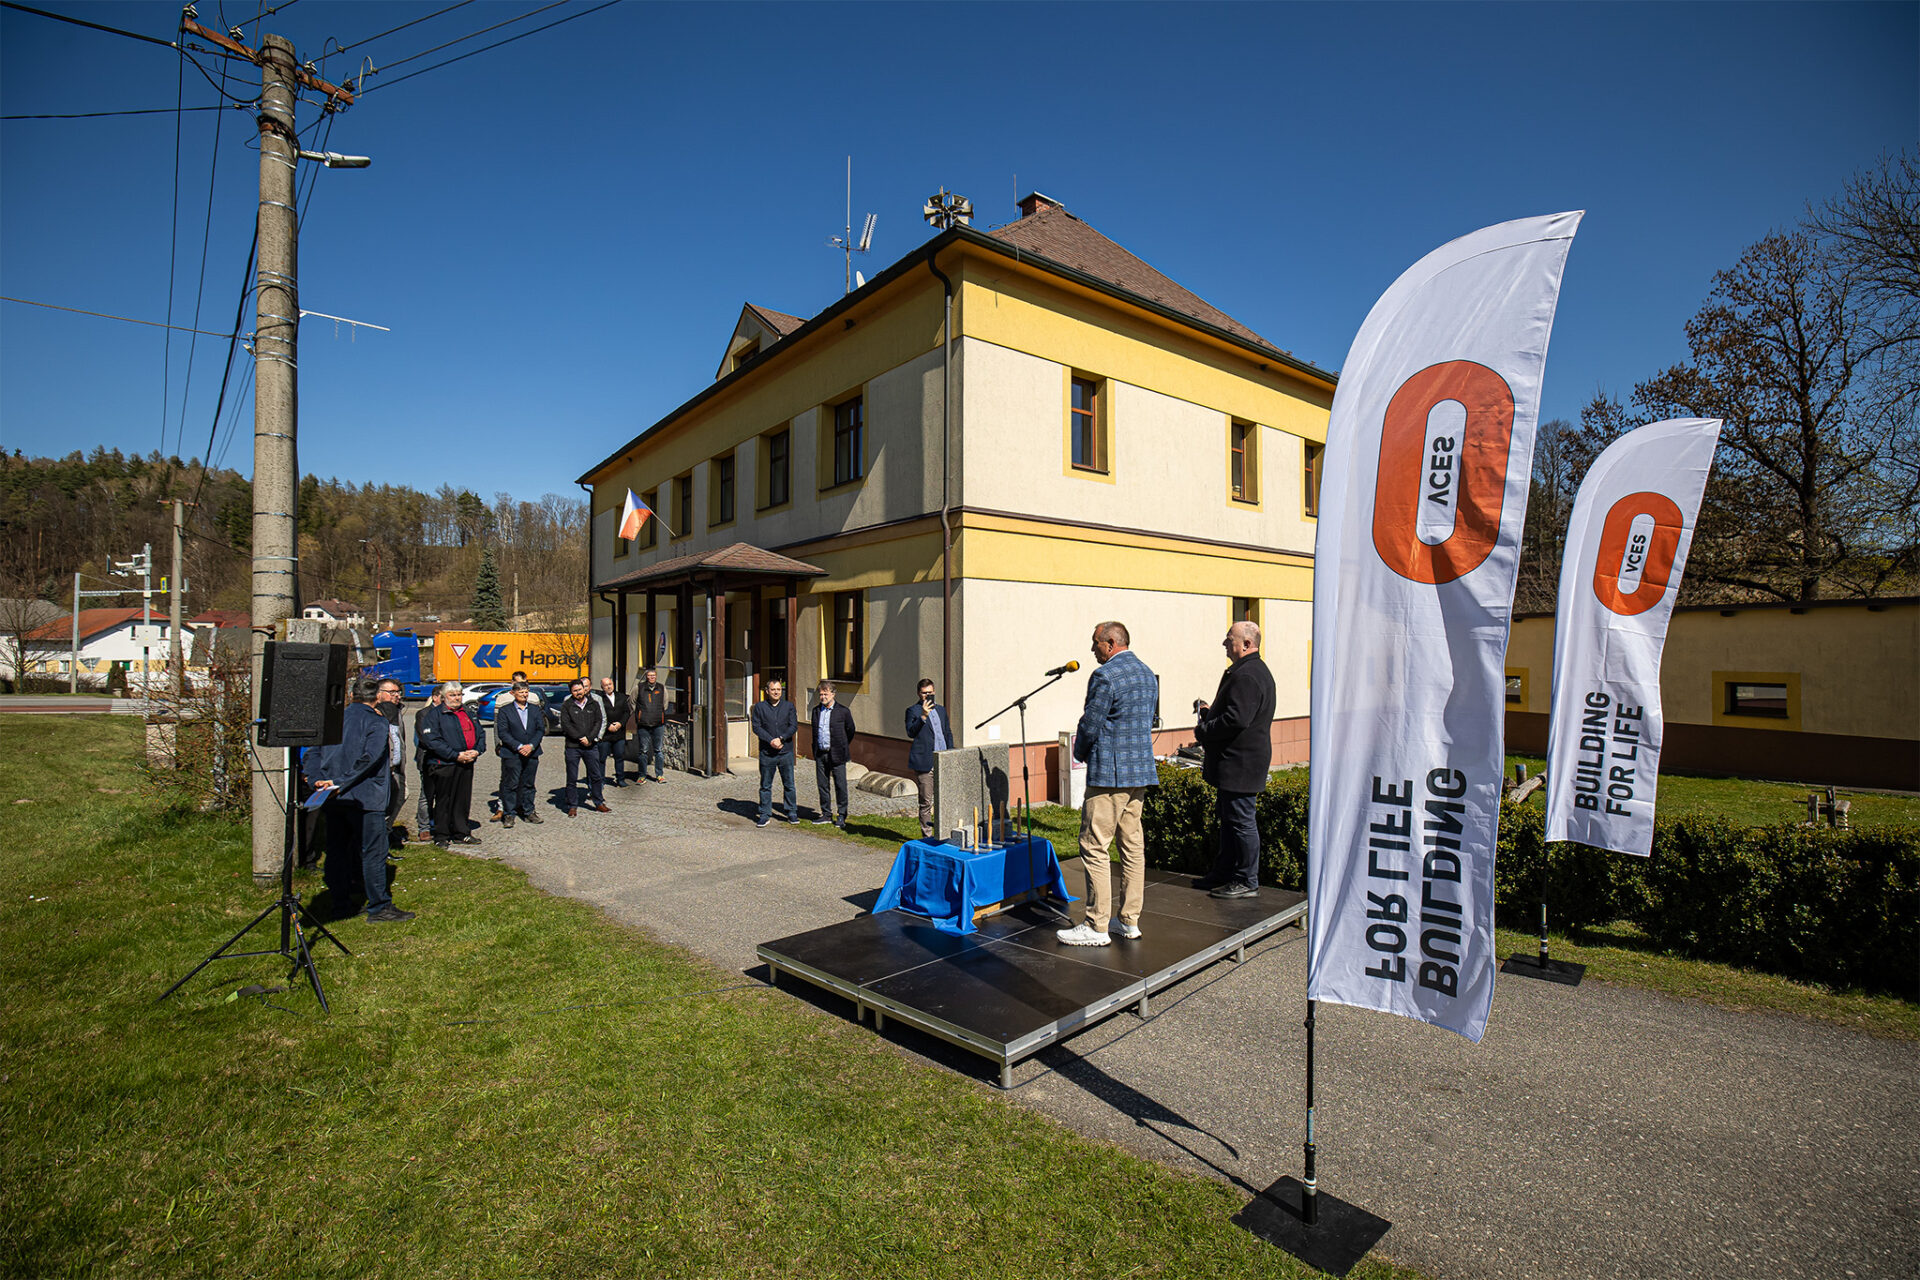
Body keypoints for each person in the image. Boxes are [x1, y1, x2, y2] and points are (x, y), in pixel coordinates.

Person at [1058, 621, 1158, 947]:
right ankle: (1129, 920)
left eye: (1096, 643)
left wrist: (1080, 751)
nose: (1092, 649)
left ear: (1111, 642)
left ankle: (1097, 924)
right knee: (1132, 847)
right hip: (1139, 773)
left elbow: (1091, 723)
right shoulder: (1146, 673)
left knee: (1093, 845)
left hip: (1110, 777)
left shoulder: (1105, 676)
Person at [306, 678, 414, 923]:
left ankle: (340, 904)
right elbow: (370, 758)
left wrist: (318, 781)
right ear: (376, 697)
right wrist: (340, 782)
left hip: (333, 796)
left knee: (337, 851)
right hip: (365, 798)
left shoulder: (333, 719)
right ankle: (379, 906)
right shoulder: (376, 721)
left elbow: (313, 753)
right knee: (373, 852)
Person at [1192, 620, 1276, 899]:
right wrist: (1210, 711)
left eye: (1230, 639)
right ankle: (1225, 872)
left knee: (1240, 821)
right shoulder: (1247, 671)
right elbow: (1236, 713)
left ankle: (1246, 880)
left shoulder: (1248, 675)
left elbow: (1237, 720)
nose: (1225, 643)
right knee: (1230, 820)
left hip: (1241, 762)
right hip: (1236, 761)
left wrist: (1204, 730)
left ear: (1247, 644)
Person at [417, 681, 487, 849]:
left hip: (466, 763)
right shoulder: (434, 715)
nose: (457, 698)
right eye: (452, 695)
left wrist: (477, 750)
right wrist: (455, 755)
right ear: (444, 697)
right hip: (444, 764)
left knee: (462, 800)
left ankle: (461, 832)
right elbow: (432, 740)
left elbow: (480, 734)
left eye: (459, 695)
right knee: (444, 801)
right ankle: (441, 835)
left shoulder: (468, 712)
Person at [494, 680, 546, 827]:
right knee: (511, 784)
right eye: (521, 692)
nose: (524, 694)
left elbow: (540, 729)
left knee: (529, 784)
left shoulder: (535, 710)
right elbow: (503, 732)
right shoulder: (505, 710)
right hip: (512, 753)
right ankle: (509, 814)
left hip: (532, 752)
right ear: (513, 693)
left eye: (526, 692)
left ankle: (529, 811)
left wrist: (531, 745)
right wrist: (518, 746)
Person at [905, 677, 951, 840]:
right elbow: (910, 732)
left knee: (944, 799)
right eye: (924, 693)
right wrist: (923, 716)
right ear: (919, 694)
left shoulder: (941, 710)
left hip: (942, 761)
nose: (927, 696)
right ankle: (927, 836)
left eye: (930, 693)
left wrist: (950, 754)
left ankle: (944, 833)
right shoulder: (913, 711)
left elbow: (947, 733)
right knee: (926, 802)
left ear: (934, 692)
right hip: (925, 763)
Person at [807, 679, 855, 828]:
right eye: (821, 694)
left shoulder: (843, 711)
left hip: (837, 754)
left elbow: (850, 730)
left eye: (825, 694)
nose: (823, 697)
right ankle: (826, 814)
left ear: (833, 694)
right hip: (821, 753)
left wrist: (842, 745)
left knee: (840, 785)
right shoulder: (816, 711)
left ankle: (841, 815)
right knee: (822, 785)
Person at [559, 677, 609, 817]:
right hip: (573, 746)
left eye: (580, 689)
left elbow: (598, 721)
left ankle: (598, 802)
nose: (578, 692)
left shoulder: (593, 703)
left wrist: (590, 738)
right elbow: (566, 725)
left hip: (591, 746)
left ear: (585, 689)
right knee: (572, 777)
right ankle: (572, 805)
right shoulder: (567, 705)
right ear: (571, 692)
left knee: (596, 775)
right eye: (575, 691)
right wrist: (580, 738)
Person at [751, 678, 798, 827]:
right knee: (765, 785)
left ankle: (791, 812)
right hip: (767, 752)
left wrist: (782, 738)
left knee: (789, 784)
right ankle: (764, 814)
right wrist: (771, 740)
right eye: (773, 689)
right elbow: (757, 727)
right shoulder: (759, 707)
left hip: (786, 752)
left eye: (779, 689)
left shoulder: (788, 706)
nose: (776, 692)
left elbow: (793, 726)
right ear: (767, 691)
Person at [373, 678, 408, 851]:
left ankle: (385, 835)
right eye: (392, 692)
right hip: (383, 771)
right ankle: (380, 845)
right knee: (383, 807)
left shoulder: (397, 711)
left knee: (402, 796)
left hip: (398, 768)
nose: (397, 696)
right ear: (379, 695)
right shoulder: (376, 713)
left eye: (398, 692)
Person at [596, 675, 632, 787]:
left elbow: (627, 712)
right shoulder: (599, 699)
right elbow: (598, 715)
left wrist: (620, 723)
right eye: (606, 685)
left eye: (610, 684)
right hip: (605, 734)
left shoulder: (621, 697)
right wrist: (608, 726)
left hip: (619, 733)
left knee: (619, 756)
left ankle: (620, 778)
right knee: (602, 758)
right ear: (602, 687)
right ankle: (600, 780)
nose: (608, 687)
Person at [633, 666, 668, 782]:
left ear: (656, 676)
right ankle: (642, 775)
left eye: (653, 675)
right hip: (643, 724)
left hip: (658, 723)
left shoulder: (662, 688)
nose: (651, 677)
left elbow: (665, 704)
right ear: (646, 677)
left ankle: (659, 775)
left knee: (658, 750)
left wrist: (658, 713)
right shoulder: (639, 687)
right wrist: (639, 714)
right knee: (643, 751)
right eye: (649, 676)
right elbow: (632, 702)